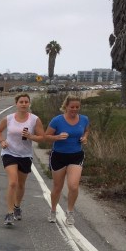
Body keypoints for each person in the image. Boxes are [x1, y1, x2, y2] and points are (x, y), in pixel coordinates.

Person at [0, 93, 45, 226]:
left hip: (25, 155)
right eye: (21, 102)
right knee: (13, 182)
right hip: (9, 153)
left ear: (29, 104)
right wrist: (2, 141)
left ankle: (17, 207)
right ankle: (9, 213)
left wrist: (31, 136)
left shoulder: (34, 120)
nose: (23, 104)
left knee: (21, 185)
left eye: (26, 102)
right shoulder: (9, 118)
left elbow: (42, 137)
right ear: (16, 104)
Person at [45, 95, 90, 225]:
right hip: (58, 156)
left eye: (77, 107)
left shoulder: (84, 119)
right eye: (72, 107)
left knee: (73, 186)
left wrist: (85, 137)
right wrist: (57, 137)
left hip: (76, 155)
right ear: (66, 106)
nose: (74, 109)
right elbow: (46, 136)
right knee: (58, 187)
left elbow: (86, 131)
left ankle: (70, 212)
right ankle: (53, 210)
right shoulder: (57, 120)